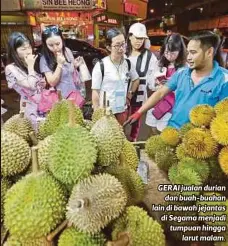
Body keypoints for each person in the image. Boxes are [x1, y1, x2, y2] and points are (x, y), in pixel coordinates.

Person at [124, 31, 228, 129]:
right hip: (172, 131)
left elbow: (224, 116)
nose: (188, 57)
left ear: (209, 52)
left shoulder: (224, 80)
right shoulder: (182, 73)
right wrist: (139, 113)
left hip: (200, 140)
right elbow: (160, 93)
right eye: (188, 52)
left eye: (193, 52)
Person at [91, 27, 139, 126]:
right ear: (108, 47)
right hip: (106, 111)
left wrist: (129, 96)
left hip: (122, 109)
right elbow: (95, 91)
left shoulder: (128, 63)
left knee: (120, 136)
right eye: (117, 45)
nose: (121, 48)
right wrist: (97, 113)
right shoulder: (101, 65)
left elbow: (136, 80)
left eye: (123, 44)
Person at [145, 33, 187, 135]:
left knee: (164, 133)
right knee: (152, 129)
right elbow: (150, 83)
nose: (169, 56)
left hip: (171, 106)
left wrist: (171, 86)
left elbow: (185, 90)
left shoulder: (185, 68)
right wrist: (155, 84)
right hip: (156, 102)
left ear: (180, 51)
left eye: (173, 53)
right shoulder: (159, 64)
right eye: (167, 52)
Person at [5, 32, 45, 129]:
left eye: (29, 47)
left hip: (43, 104)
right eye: (23, 49)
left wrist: (42, 83)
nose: (28, 51)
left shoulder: (28, 63)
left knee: (46, 132)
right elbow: (30, 85)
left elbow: (37, 85)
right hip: (29, 107)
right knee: (35, 133)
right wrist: (31, 66)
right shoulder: (11, 68)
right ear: (14, 51)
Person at [126, 22, 158, 141]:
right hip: (123, 94)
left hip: (140, 96)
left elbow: (153, 76)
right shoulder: (124, 54)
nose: (139, 41)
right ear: (130, 37)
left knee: (136, 121)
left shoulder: (150, 56)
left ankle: (133, 141)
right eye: (136, 38)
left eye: (142, 39)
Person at [39, 25, 87, 99]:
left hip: (74, 93)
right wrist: (59, 65)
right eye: (51, 45)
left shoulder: (67, 51)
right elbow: (52, 82)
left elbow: (70, 70)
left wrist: (75, 65)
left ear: (62, 40)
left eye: (58, 44)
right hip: (59, 99)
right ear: (45, 44)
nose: (55, 48)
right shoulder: (44, 59)